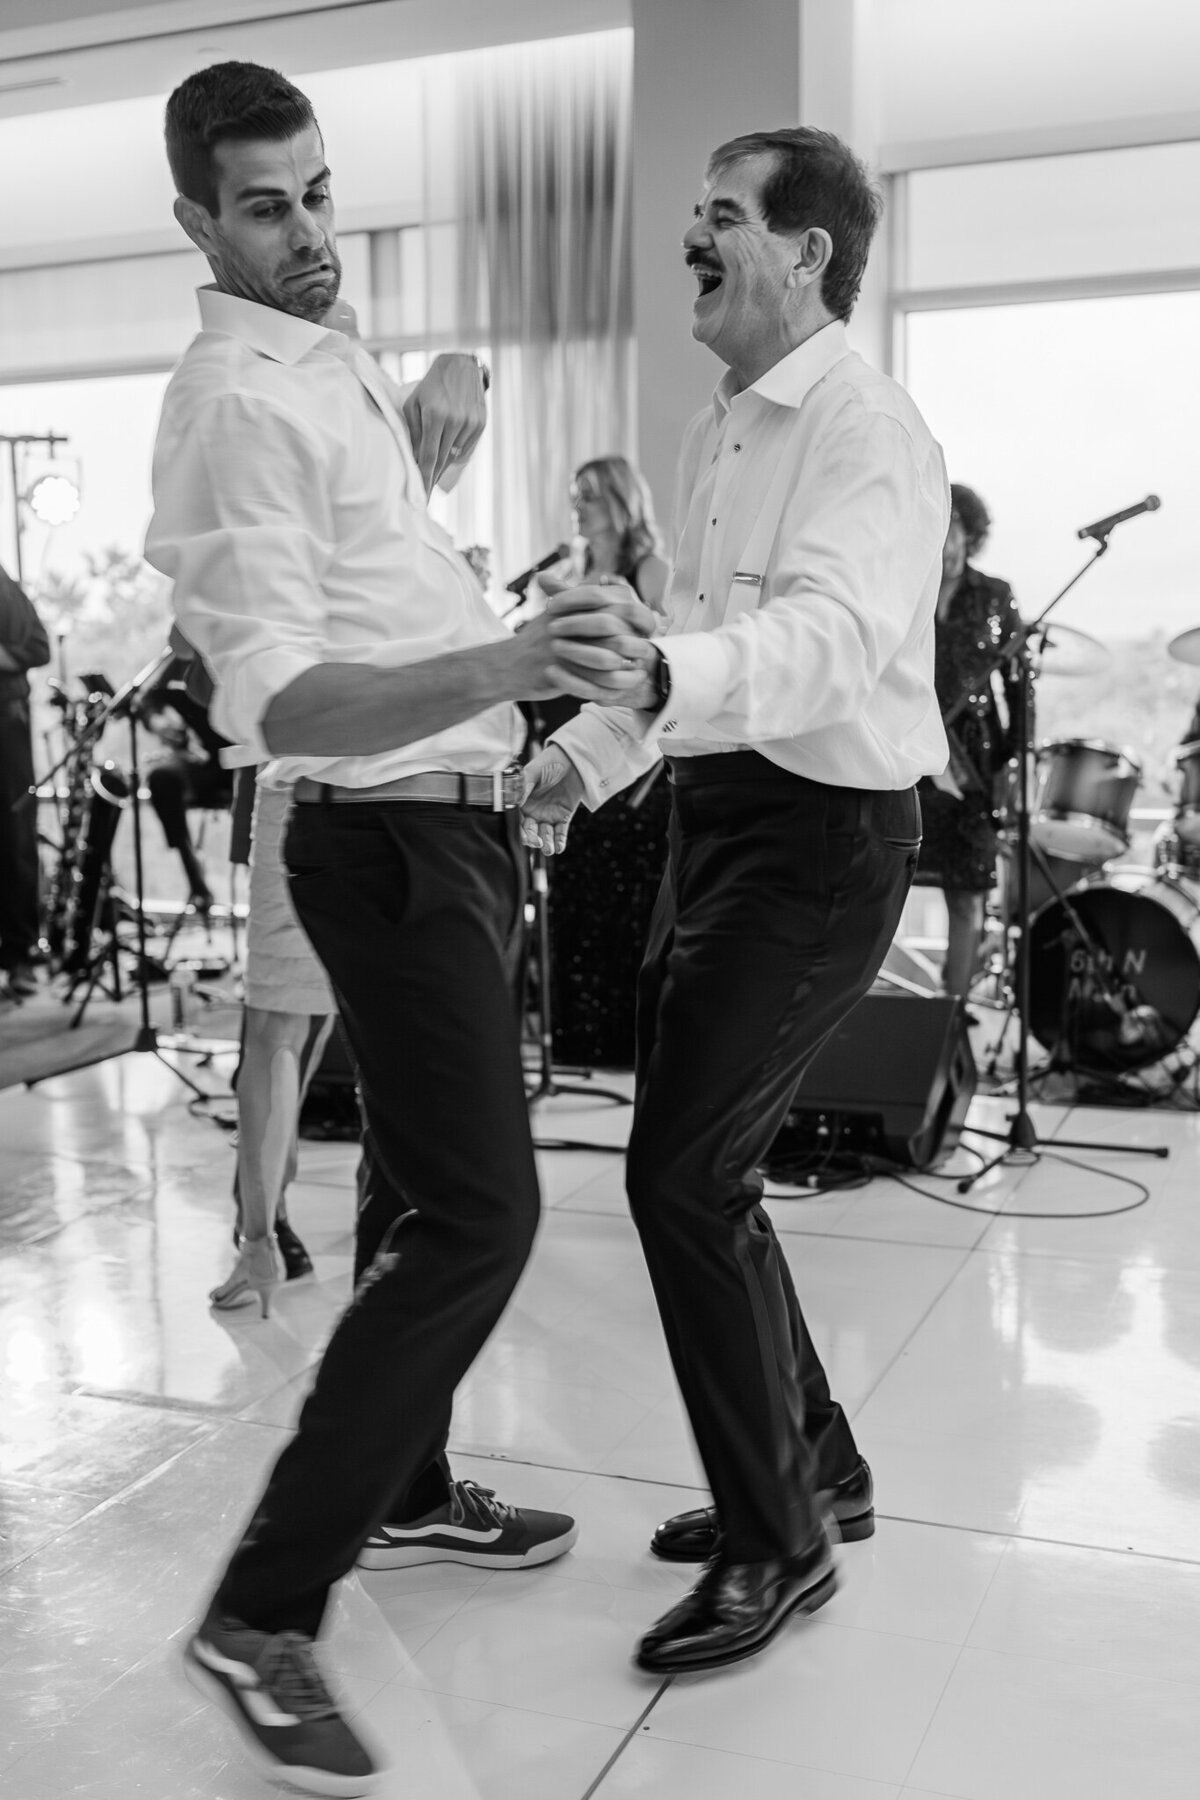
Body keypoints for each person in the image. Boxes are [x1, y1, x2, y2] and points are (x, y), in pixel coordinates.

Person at [143, 61, 647, 1795]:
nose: (308, 234)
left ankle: (412, 1491)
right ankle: (263, 1607)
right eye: (266, 207)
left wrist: (453, 377)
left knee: (430, 1190)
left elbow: (377, 558)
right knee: (485, 1220)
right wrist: (501, 667)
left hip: (455, 832)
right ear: (197, 222)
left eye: (320, 193)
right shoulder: (231, 402)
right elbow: (284, 702)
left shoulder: (324, 358)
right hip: (382, 842)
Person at [522, 126, 949, 1675]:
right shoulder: (720, 434)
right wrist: (573, 763)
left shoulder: (868, 429)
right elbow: (681, 669)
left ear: (806, 252)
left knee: (678, 1178)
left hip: (828, 837)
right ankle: (813, 1465)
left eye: (719, 218)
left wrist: (659, 676)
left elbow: (827, 643)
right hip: (726, 818)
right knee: (707, 1172)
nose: (688, 241)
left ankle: (779, 1537)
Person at [525, 456, 672, 1067]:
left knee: (630, 903)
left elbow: (669, 648)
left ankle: (627, 1040)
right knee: (575, 897)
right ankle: (579, 1035)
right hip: (577, 740)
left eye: (588, 493)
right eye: (573, 493)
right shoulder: (572, 571)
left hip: (634, 763)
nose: (577, 505)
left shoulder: (653, 568)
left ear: (620, 500)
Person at [208, 767, 338, 1314]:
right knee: (292, 1021)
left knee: (288, 1023)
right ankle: (265, 1221)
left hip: (316, 786)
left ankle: (261, 1233)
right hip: (399, 793)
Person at [915, 484, 1021, 998]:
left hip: (975, 767)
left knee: (966, 896)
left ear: (971, 535)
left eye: (956, 531)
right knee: (885, 884)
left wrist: (1012, 766)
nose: (946, 544)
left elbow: (1019, 692)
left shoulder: (995, 594)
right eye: (938, 529)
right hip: (909, 753)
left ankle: (950, 1016)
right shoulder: (903, 587)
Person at [141, 655, 234, 912]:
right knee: (161, 778)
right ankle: (195, 879)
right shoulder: (185, 655)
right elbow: (151, 698)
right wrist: (156, 719)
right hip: (200, 760)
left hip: (241, 757)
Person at [0, 559, 50, 998]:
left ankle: (20, 956)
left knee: (14, 839)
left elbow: (39, 648)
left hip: (5, 728)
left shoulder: (3, 586)